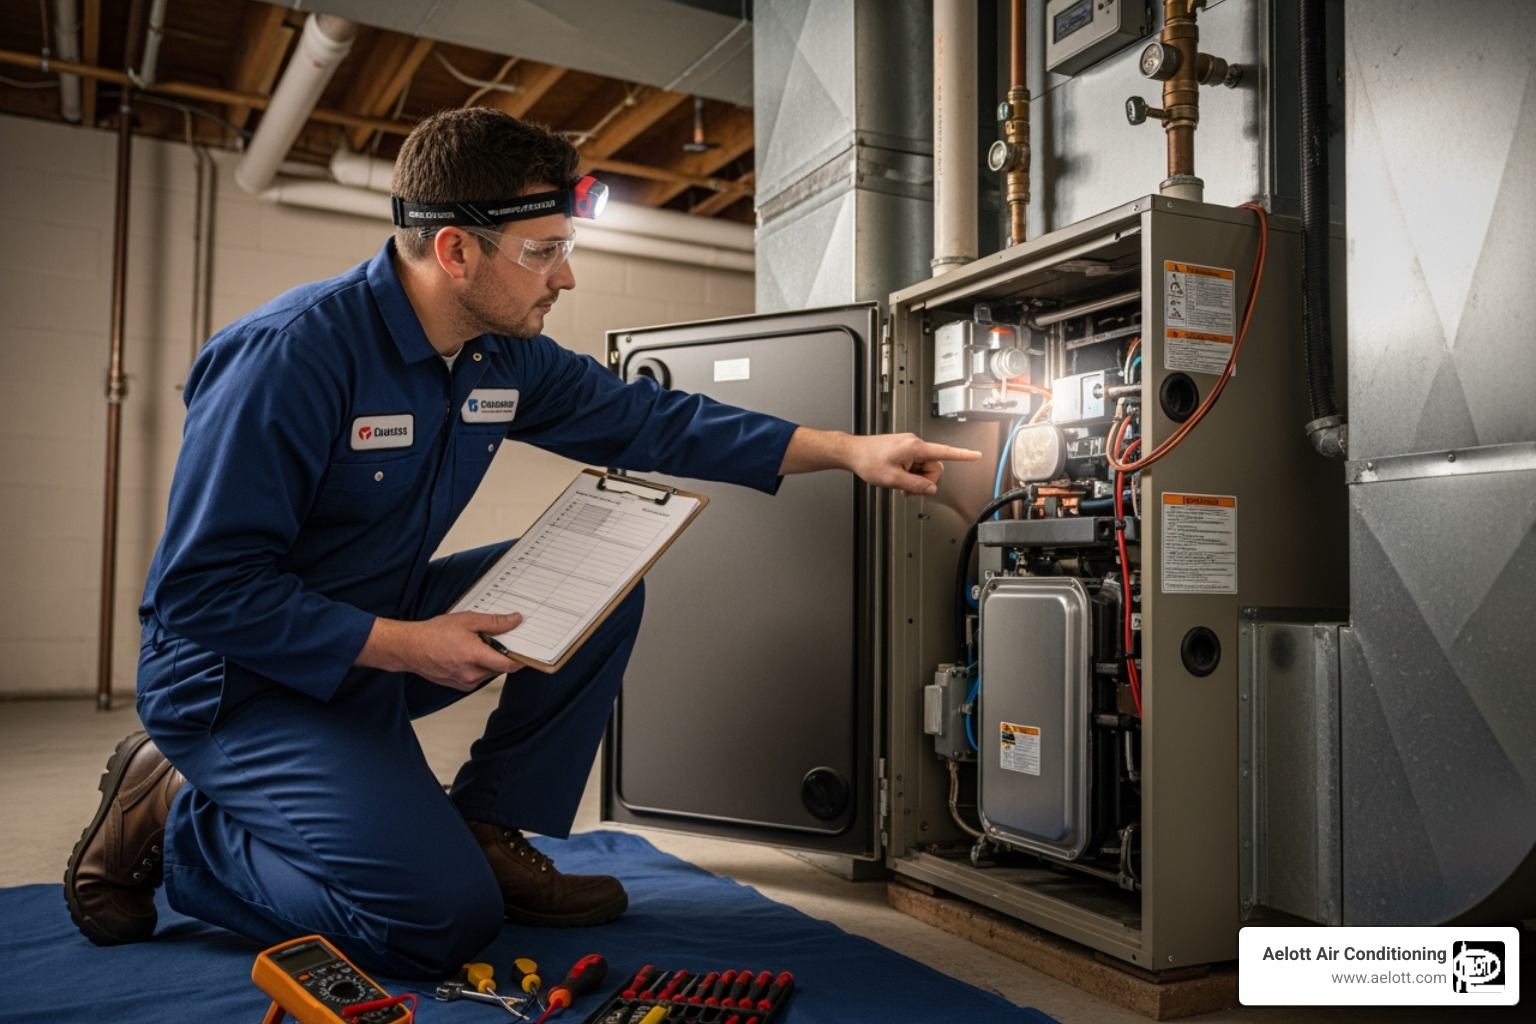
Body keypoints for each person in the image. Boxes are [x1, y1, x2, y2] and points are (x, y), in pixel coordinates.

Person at [63, 107, 979, 980]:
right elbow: (202, 592)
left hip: (376, 637)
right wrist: (408, 645)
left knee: (604, 586)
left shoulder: (497, 354)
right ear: (455, 251)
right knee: (436, 924)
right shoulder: (290, 355)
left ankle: (489, 828)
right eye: (543, 252)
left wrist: (848, 450)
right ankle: (180, 820)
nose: (564, 277)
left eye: (565, 248)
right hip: (238, 683)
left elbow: (652, 420)